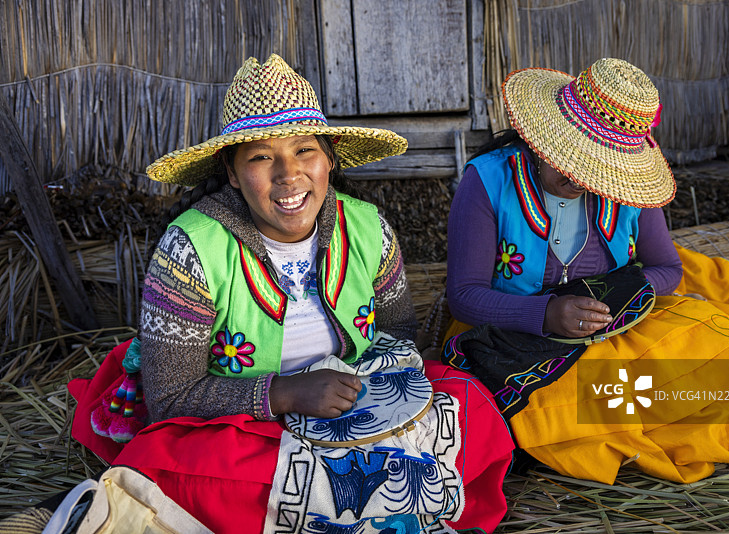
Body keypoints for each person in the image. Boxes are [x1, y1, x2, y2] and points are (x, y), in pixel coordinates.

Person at [67, 55, 514, 533]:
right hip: (248, 427)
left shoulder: (367, 228)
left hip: (354, 400)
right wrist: (286, 394)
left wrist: (376, 402)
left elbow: (397, 336)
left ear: (330, 158)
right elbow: (171, 398)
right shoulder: (191, 247)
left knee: (474, 409)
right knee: (170, 463)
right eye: (261, 157)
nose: (289, 174)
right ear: (233, 172)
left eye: (305, 151)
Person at [444, 57, 729, 485]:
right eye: (568, 160)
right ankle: (638, 415)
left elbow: (667, 267)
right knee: (567, 407)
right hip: (513, 338)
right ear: (541, 138)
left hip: (615, 330)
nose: (579, 178)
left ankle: (650, 408)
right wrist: (546, 314)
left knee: (718, 335)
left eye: (596, 168)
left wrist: (620, 295)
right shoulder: (487, 181)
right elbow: (464, 295)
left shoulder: (626, 188)